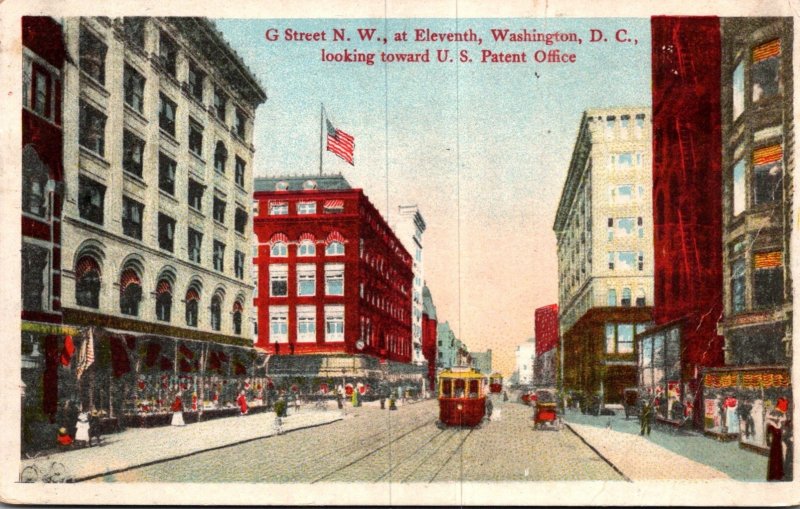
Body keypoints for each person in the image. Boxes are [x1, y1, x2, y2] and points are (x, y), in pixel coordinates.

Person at [767, 397, 791, 481]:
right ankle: (774, 475)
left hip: (779, 444)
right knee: (775, 458)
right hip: (774, 444)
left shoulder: (780, 423)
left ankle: (778, 474)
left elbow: (785, 420)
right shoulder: (771, 424)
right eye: (777, 415)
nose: (778, 417)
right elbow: (768, 435)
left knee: (779, 458)